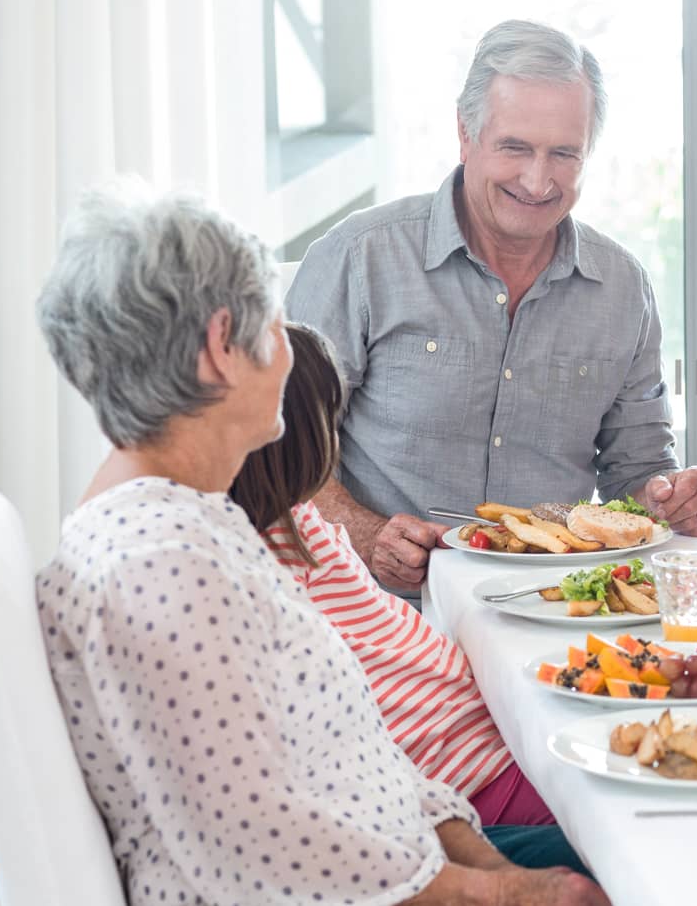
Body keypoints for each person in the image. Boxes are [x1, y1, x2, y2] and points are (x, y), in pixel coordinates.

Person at [35, 186, 608, 904]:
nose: (292, 348)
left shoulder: (202, 524)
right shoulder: (161, 567)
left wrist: (491, 869)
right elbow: (260, 843)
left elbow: (354, 753)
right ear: (221, 346)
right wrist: (500, 894)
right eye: (273, 320)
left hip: (400, 853)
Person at [288, 19, 697, 594]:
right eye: (515, 147)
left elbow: (636, 471)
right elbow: (279, 448)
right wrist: (368, 537)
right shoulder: (360, 257)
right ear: (466, 135)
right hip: (381, 613)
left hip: (548, 611)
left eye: (565, 154)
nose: (538, 180)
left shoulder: (623, 287)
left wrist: (673, 498)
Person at [229, 323, 581, 871]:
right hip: (474, 779)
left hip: (496, 740)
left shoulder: (297, 519)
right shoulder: (255, 566)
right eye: (331, 420)